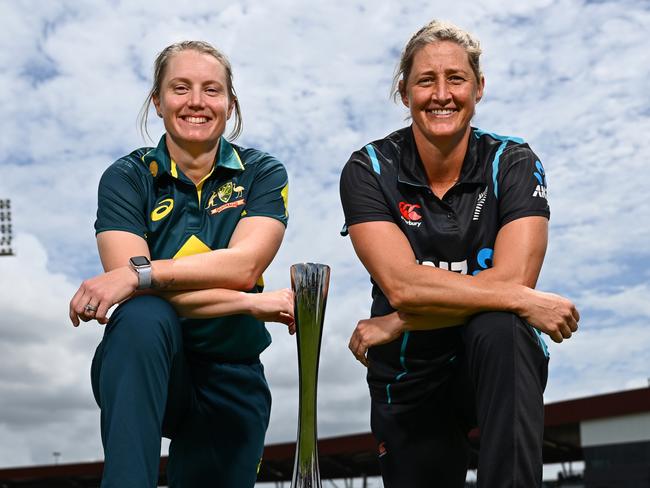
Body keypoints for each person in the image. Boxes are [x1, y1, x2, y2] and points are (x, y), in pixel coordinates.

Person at [340, 20, 579, 487]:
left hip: (489, 361)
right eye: (426, 80)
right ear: (404, 91)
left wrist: (400, 319)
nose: (442, 94)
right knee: (509, 310)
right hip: (409, 372)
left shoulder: (512, 161)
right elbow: (403, 286)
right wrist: (522, 299)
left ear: (479, 87)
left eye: (456, 79)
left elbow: (513, 287)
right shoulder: (368, 167)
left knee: (502, 325)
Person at [69, 41, 293, 488]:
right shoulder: (127, 177)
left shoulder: (263, 173)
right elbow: (136, 297)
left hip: (233, 368)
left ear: (230, 104)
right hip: (151, 363)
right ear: (157, 100)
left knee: (145, 300)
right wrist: (249, 305)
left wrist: (140, 273)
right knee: (142, 316)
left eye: (212, 90)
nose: (196, 102)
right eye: (180, 87)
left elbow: (244, 267)